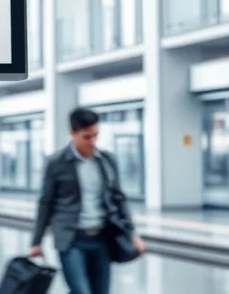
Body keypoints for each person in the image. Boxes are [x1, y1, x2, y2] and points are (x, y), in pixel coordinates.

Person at [29, 108, 145, 294]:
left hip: (102, 238)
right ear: (72, 133)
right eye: (86, 137)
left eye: (96, 135)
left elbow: (119, 198)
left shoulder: (106, 160)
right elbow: (45, 203)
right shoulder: (57, 163)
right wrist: (36, 241)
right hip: (71, 239)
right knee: (81, 291)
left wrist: (132, 233)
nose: (93, 142)